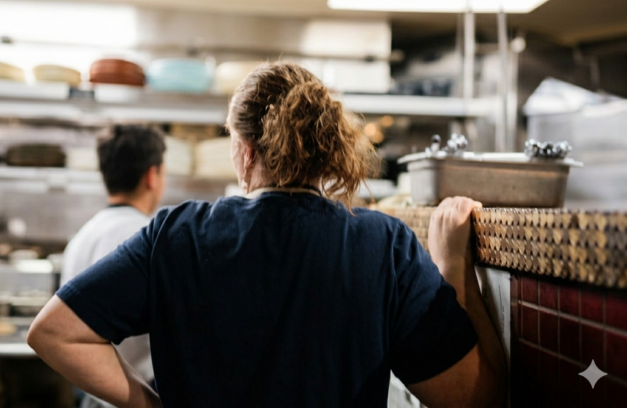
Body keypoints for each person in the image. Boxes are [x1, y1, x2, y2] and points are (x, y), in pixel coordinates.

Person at [28, 62, 506, 408]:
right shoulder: (385, 245)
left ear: (243, 150)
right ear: (326, 149)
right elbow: (472, 399)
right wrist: (454, 271)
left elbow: (55, 332)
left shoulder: (176, 235)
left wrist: (148, 405)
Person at [61, 125, 167, 407]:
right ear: (152, 176)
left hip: (94, 396)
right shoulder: (149, 240)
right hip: (139, 395)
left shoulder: (81, 237)